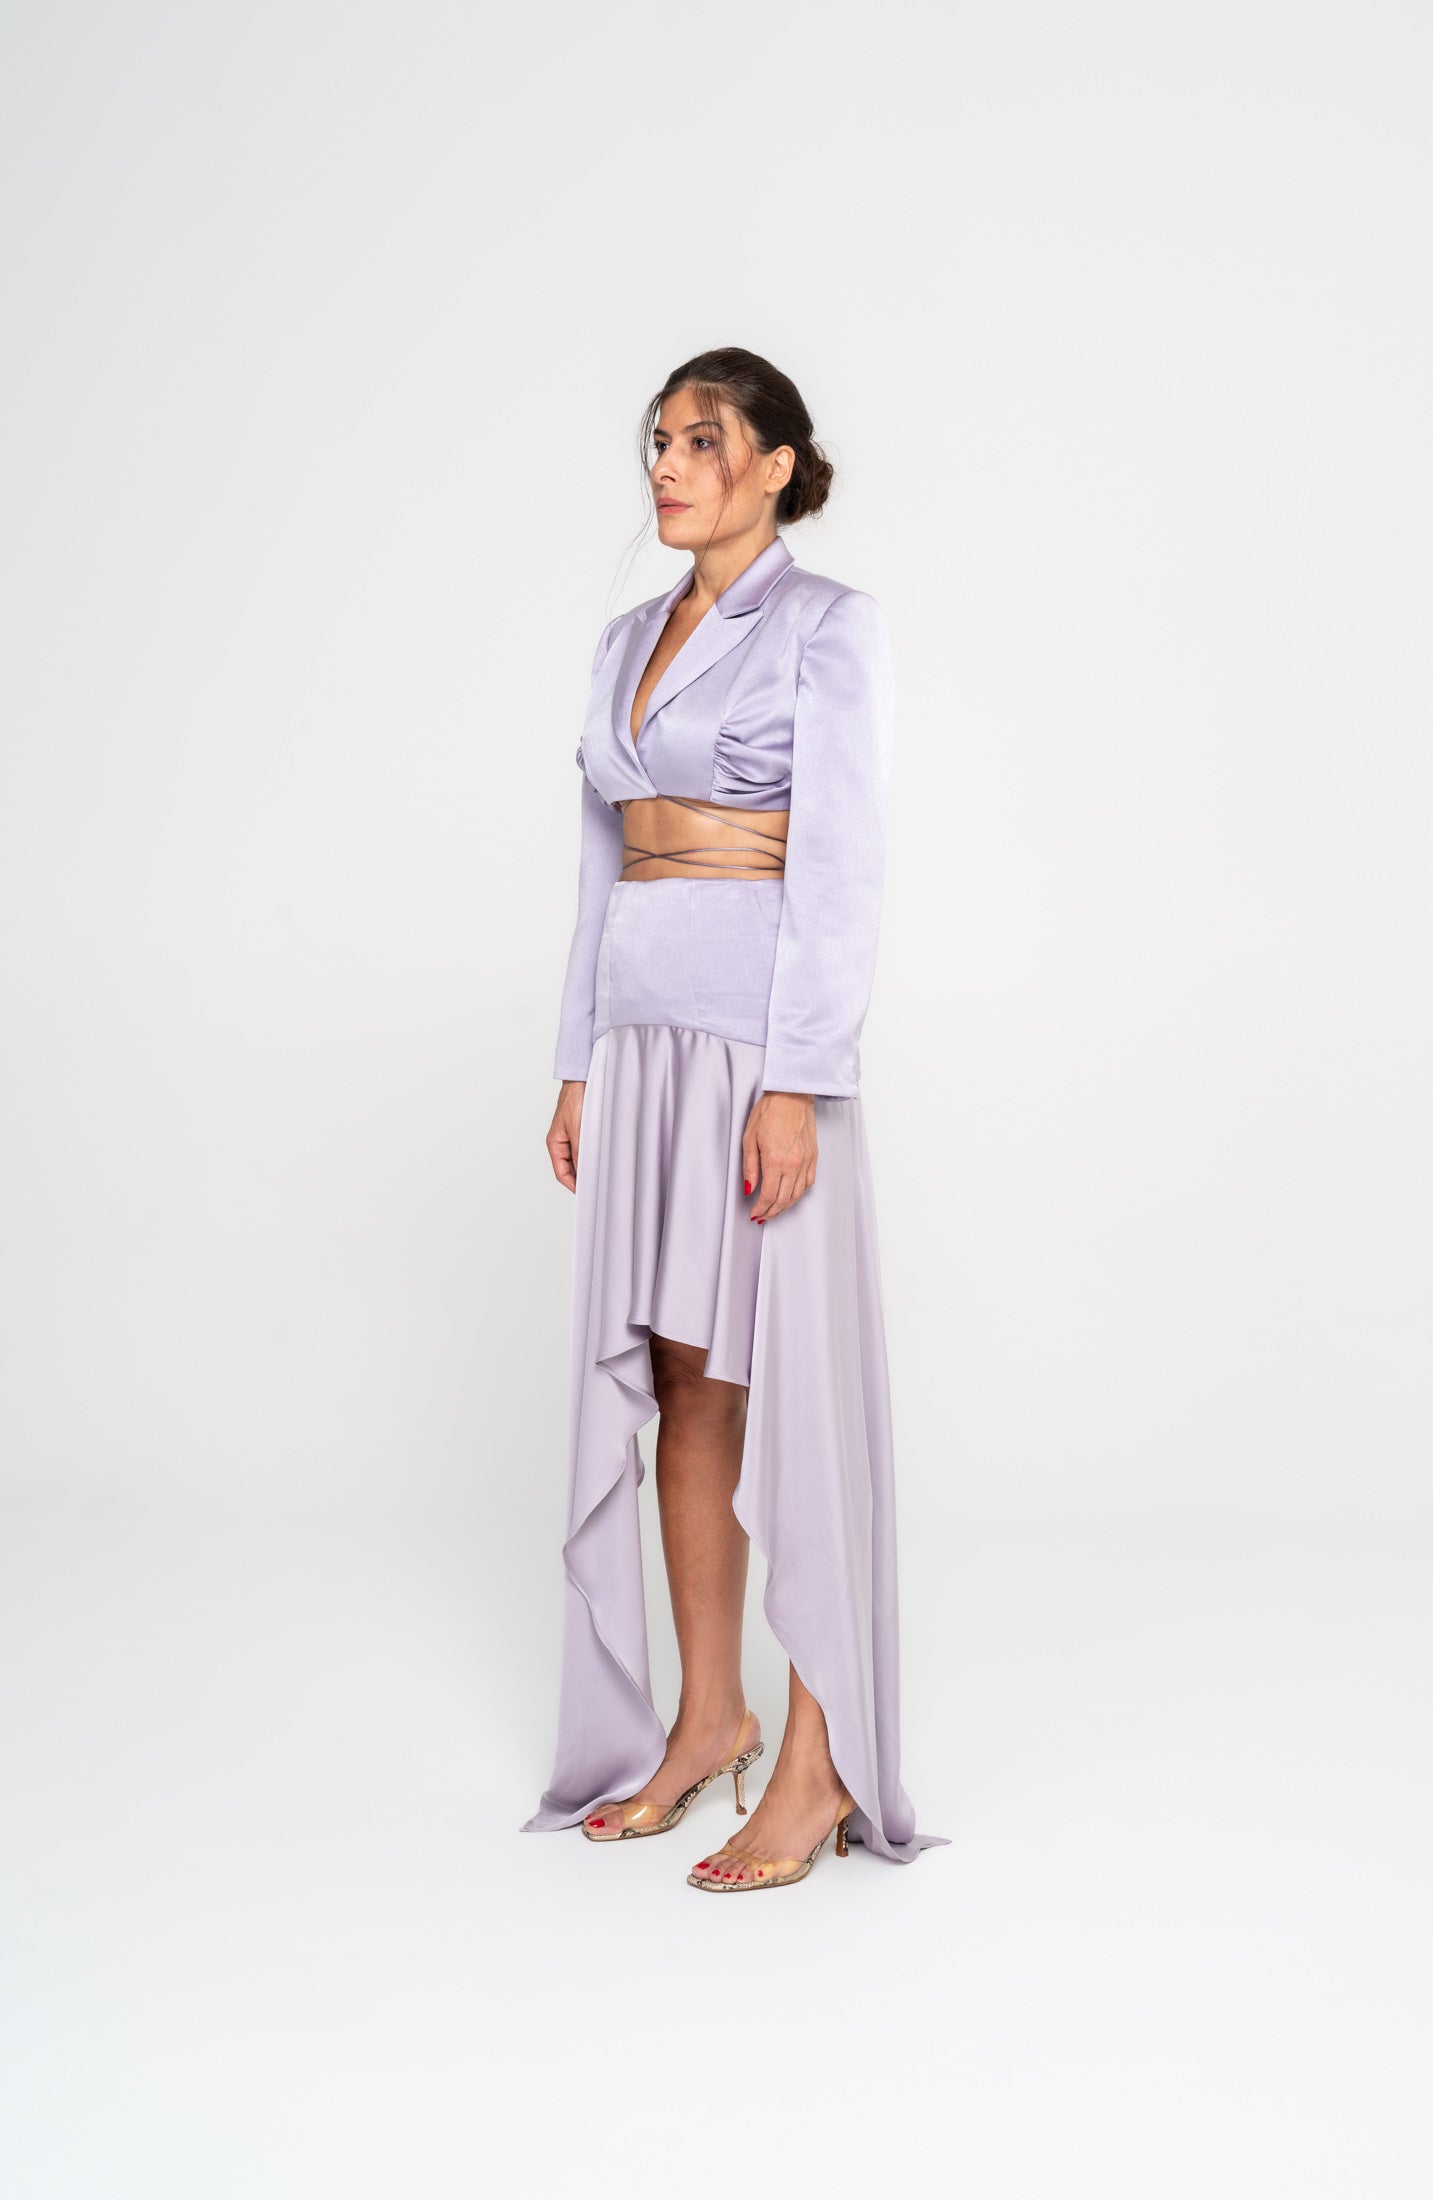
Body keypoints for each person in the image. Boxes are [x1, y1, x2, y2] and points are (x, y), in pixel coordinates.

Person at [522, 347, 944, 1891]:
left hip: (761, 1047)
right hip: (643, 1045)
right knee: (684, 1378)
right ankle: (711, 1720)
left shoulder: (829, 626)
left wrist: (798, 1082)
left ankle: (816, 1767)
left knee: (794, 1388)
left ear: (775, 466)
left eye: (703, 440)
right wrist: (578, 1059)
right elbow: (602, 861)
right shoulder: (625, 638)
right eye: (658, 439)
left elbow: (841, 866)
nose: (668, 463)